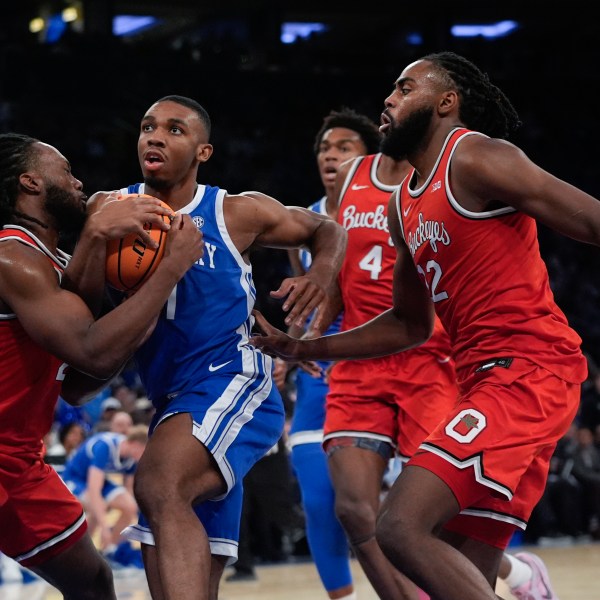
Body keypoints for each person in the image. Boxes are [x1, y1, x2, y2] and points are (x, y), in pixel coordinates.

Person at [250, 51, 600, 600]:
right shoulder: (402, 205)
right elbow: (410, 324)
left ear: (446, 101)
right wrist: (304, 346)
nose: (387, 100)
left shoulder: (478, 156)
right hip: (483, 379)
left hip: (528, 373)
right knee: (462, 569)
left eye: (404, 88)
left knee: (399, 526)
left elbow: (591, 220)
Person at [105, 95, 347, 600]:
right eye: (148, 126)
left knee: (158, 484)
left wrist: (322, 275)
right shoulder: (111, 210)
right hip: (173, 402)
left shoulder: (234, 211)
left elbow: (327, 228)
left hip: (234, 377)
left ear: (203, 152)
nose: (155, 136)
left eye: (174, 130)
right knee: (181, 565)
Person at [0, 132, 203, 599]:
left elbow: (77, 383)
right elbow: (93, 350)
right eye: (66, 171)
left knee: (93, 582)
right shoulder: (13, 254)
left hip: (20, 460)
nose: (79, 182)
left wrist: (138, 303)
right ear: (30, 182)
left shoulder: (57, 262)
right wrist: (169, 270)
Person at [277, 107, 382, 600]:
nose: (332, 155)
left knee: (403, 511)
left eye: (344, 147)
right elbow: (302, 309)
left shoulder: (399, 208)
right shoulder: (303, 225)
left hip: (394, 363)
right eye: (325, 148)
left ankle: (506, 570)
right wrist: (290, 346)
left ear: (370, 157)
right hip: (324, 374)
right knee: (321, 503)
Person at [62, 425, 148, 568]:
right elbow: (94, 490)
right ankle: (80, 554)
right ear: (136, 444)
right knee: (97, 508)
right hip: (75, 477)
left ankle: (109, 550)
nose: (145, 456)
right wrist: (105, 527)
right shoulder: (105, 446)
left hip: (97, 480)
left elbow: (128, 491)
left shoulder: (131, 458)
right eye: (144, 450)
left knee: (130, 507)